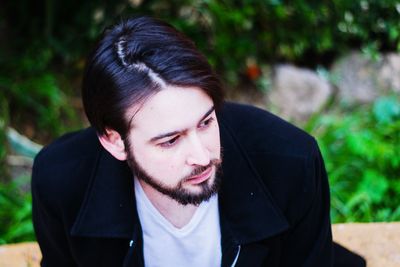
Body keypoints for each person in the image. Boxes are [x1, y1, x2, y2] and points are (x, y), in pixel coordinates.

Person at [32, 16, 334, 266]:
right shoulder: (62, 181)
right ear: (115, 142)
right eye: (170, 140)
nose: (202, 156)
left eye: (206, 122)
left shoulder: (290, 162)